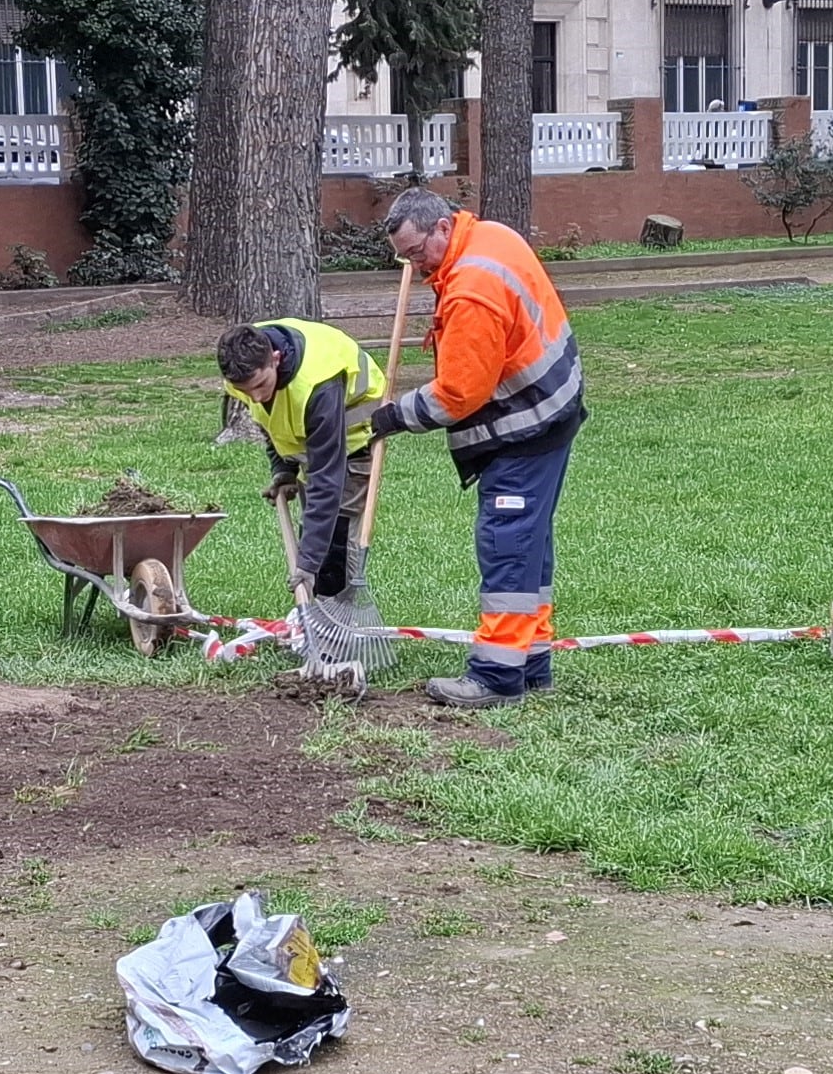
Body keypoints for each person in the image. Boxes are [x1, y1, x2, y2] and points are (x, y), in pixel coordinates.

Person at [362, 186, 585, 707]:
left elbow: (460, 394)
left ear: (443, 227)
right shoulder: (487, 236)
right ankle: (532, 664)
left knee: (507, 543)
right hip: (553, 407)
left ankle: (496, 677)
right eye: (406, 258)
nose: (415, 268)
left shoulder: (471, 287)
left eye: (418, 253)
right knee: (528, 545)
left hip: (525, 425)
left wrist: (395, 415)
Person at [216, 317, 386, 626]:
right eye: (246, 390)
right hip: (312, 442)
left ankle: (340, 626)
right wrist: (284, 469)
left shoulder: (318, 383)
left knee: (336, 528)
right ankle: (318, 619)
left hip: (352, 436)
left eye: (261, 386)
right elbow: (269, 420)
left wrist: (306, 564)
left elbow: (326, 479)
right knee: (317, 528)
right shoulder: (242, 368)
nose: (255, 396)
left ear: (276, 360)